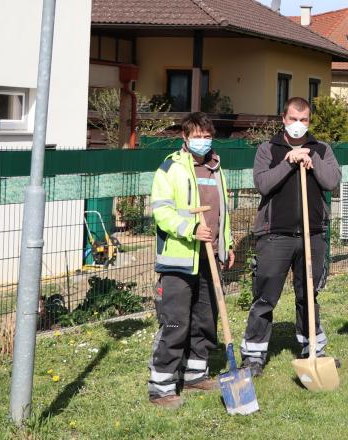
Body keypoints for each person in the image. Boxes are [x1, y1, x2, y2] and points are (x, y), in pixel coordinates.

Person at [240, 97, 342, 376]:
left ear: (310, 121)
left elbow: (332, 181)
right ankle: (254, 354)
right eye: (293, 119)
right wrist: (288, 162)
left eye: (304, 120)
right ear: (283, 119)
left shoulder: (321, 149)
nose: (299, 125)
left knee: (308, 294)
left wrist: (311, 162)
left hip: (313, 234)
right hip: (275, 236)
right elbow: (262, 184)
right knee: (265, 296)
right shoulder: (268, 149)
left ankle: (313, 349)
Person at [146, 112, 235, 408]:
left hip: (210, 258)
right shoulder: (170, 169)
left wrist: (227, 244)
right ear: (185, 137)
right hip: (179, 259)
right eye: (196, 136)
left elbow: (221, 212)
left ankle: (197, 373)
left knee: (205, 319)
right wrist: (190, 229)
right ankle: (161, 386)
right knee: (175, 323)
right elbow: (162, 211)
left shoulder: (216, 168)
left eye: (206, 135)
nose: (202, 141)